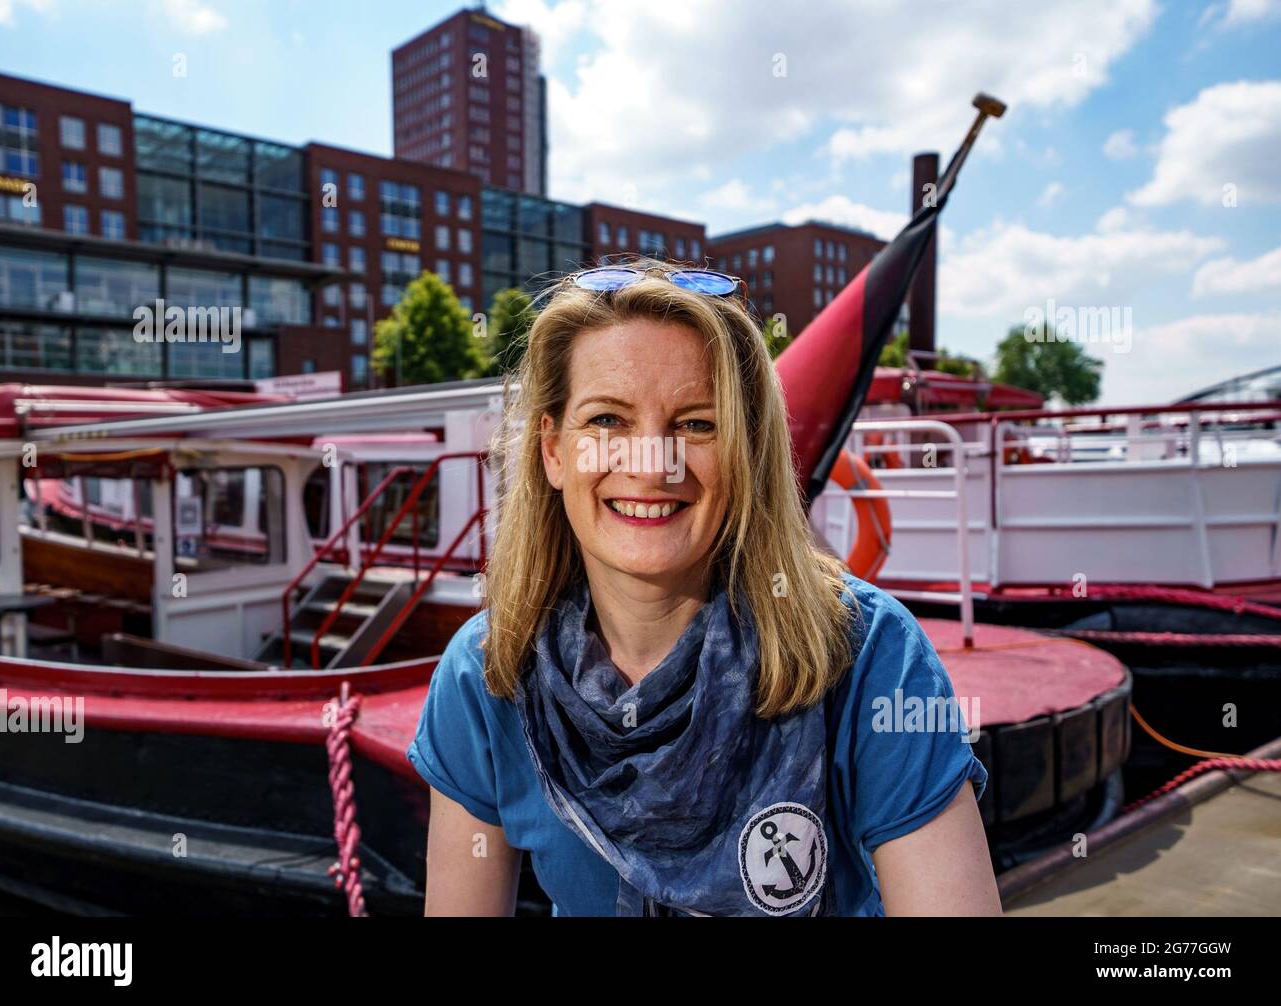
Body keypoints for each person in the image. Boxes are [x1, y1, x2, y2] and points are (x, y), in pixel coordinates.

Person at [409, 260, 1001, 916]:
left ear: (745, 451)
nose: (651, 463)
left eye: (696, 424)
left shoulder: (870, 657)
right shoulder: (487, 673)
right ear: (553, 451)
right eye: (607, 420)